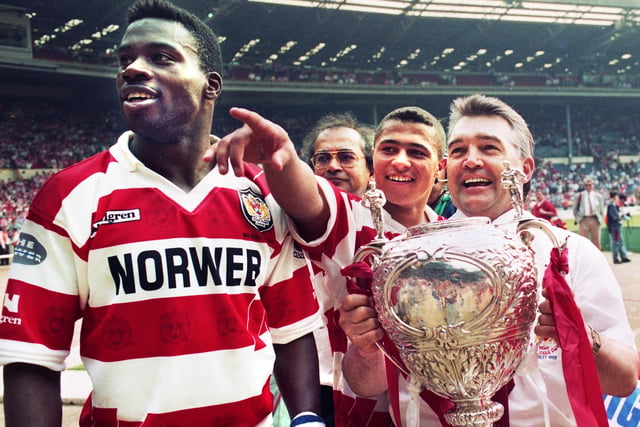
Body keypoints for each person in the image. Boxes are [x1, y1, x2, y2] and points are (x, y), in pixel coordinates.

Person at [0, 1, 325, 426]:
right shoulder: (70, 195)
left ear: (210, 85)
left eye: (161, 57)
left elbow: (292, 329)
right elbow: (33, 359)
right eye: (124, 59)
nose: (131, 68)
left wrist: (306, 419)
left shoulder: (259, 192)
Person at [339, 94, 638, 426]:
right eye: (458, 151)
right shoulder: (406, 262)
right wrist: (365, 346)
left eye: (489, 148)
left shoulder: (567, 254)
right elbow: (366, 385)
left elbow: (624, 380)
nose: (471, 160)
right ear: (445, 169)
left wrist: (582, 337)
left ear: (524, 170)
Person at [206, 105, 447, 426]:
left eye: (416, 152)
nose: (400, 160)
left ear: (440, 167)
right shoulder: (350, 215)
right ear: (375, 161)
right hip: (354, 404)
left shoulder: (447, 234)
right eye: (389, 149)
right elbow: (309, 198)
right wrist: (282, 155)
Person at [302, 112, 375, 197]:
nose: (333, 167)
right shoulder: (291, 209)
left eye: (346, 157)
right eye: (322, 159)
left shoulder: (385, 210)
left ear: (371, 171)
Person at [573, 177, 605, 249]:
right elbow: (574, 209)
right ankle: (585, 259)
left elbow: (602, 210)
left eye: (590, 185)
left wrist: (600, 219)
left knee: (596, 241)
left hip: (595, 219)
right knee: (583, 241)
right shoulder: (579, 196)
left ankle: (597, 258)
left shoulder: (598, 196)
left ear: (593, 185)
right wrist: (579, 219)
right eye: (586, 185)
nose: (588, 187)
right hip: (583, 219)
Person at [606, 190, 631, 264]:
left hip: (617, 227)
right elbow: (615, 217)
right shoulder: (611, 206)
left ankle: (623, 256)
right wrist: (621, 215)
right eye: (616, 196)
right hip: (615, 227)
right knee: (616, 243)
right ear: (614, 197)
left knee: (620, 242)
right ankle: (616, 258)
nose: (618, 198)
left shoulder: (614, 205)